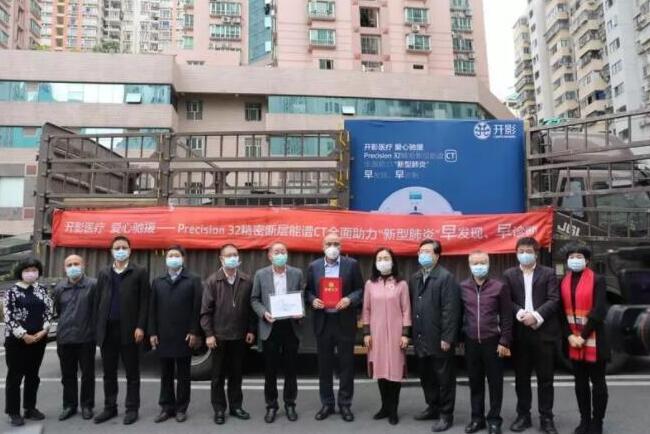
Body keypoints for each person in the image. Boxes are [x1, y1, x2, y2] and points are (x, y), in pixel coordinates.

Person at [502, 237, 560, 434]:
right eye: (521, 251)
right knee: (521, 378)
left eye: (528, 251)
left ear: (536, 253)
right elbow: (506, 301)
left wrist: (535, 316)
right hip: (520, 334)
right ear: (516, 253)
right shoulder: (509, 274)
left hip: (543, 333)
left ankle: (546, 418)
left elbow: (554, 299)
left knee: (546, 379)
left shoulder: (548, 273)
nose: (525, 254)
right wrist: (521, 314)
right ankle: (523, 416)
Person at [305, 231, 364, 422]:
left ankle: (345, 404)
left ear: (341, 246)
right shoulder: (314, 266)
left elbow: (360, 290)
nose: (333, 247)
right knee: (324, 366)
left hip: (344, 321)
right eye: (329, 244)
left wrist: (349, 299)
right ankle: (327, 403)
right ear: (322, 247)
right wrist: (313, 300)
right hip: (323, 322)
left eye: (336, 244)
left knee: (346, 365)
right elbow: (307, 292)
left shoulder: (351, 265)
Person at [94, 235, 150, 425]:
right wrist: (97, 328)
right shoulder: (104, 272)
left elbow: (145, 301)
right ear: (111, 251)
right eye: (117, 247)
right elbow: (97, 301)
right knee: (108, 372)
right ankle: (110, 407)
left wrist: (141, 326)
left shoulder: (139, 272)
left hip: (129, 330)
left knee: (132, 373)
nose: (120, 251)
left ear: (130, 250)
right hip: (108, 330)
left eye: (124, 247)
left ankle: (132, 408)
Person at [200, 243, 256, 425]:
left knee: (236, 374)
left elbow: (251, 308)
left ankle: (236, 406)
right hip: (219, 336)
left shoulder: (246, 280)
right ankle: (219, 409)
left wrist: (251, 329)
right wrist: (209, 334)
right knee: (217, 376)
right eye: (229, 255)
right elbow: (205, 311)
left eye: (235, 255)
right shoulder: (212, 281)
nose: (233, 258)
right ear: (221, 259)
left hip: (239, 335)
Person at [409, 239, 461, 432]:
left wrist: (447, 337)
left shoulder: (446, 277)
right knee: (426, 376)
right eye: (421, 251)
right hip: (421, 336)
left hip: (440, 338)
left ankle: (446, 414)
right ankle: (433, 407)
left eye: (428, 252)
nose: (423, 255)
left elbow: (451, 310)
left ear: (437, 256)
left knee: (444, 378)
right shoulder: (415, 277)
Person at [251, 242, 305, 423]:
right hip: (270, 327)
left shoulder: (297, 273)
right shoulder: (261, 274)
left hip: (291, 327)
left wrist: (301, 312)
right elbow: (254, 299)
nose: (280, 254)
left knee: (291, 370)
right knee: (270, 370)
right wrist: (263, 313)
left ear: (287, 254)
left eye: (283, 251)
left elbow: (301, 297)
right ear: (269, 255)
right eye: (276, 252)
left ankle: (290, 404)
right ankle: (271, 406)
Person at [459, 251, 513, 434]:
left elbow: (506, 316)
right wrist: (460, 337)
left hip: (493, 341)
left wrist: (504, 340)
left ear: (488, 264)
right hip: (471, 342)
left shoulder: (499, 287)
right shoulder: (463, 287)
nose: (479, 266)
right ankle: (477, 419)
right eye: (475, 263)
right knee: (475, 382)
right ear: (469, 265)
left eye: (482, 262)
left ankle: (494, 420)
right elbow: (460, 314)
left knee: (495, 383)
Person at [149, 245, 203, 423]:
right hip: (163, 334)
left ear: (183, 258)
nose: (173, 258)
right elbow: (152, 309)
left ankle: (181, 408)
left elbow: (197, 308)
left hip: (184, 335)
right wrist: (153, 332)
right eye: (170, 255)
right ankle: (166, 408)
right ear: (166, 259)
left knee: (183, 374)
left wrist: (194, 331)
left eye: (176, 255)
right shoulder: (158, 281)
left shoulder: (193, 280)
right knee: (166, 374)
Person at [559, 243, 609, 434]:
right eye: (571, 257)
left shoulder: (598, 279)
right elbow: (560, 313)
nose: (575, 260)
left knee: (598, 383)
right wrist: (570, 336)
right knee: (580, 384)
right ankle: (584, 420)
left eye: (579, 257)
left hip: (594, 339)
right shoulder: (563, 281)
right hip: (573, 341)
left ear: (587, 260)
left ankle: (597, 422)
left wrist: (583, 336)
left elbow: (599, 310)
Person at [361, 247, 411, 425]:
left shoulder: (401, 284)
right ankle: (384, 407)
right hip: (377, 334)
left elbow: (406, 310)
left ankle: (393, 410)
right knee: (381, 371)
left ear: (393, 261)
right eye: (379, 258)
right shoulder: (370, 284)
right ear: (375, 263)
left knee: (394, 372)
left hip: (396, 335)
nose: (383, 261)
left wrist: (405, 334)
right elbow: (366, 309)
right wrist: (366, 332)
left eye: (386, 258)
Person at [2, 257, 53, 427]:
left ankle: (30, 408)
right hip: (17, 341)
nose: (31, 273)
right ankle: (13, 412)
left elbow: (49, 312)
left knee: (33, 375)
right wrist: (24, 335)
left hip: (39, 338)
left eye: (34, 270)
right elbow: (8, 316)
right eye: (27, 270)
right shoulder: (11, 292)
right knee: (15, 377)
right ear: (20, 272)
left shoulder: (42, 290)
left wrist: (44, 330)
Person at [52, 254, 97, 421]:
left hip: (86, 337)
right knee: (67, 375)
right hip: (65, 338)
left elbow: (97, 309)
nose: (73, 267)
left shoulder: (93, 285)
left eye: (76, 264)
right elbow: (58, 310)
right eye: (69, 265)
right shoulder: (60, 288)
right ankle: (69, 405)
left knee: (87, 374)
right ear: (65, 268)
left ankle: (87, 405)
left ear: (83, 265)